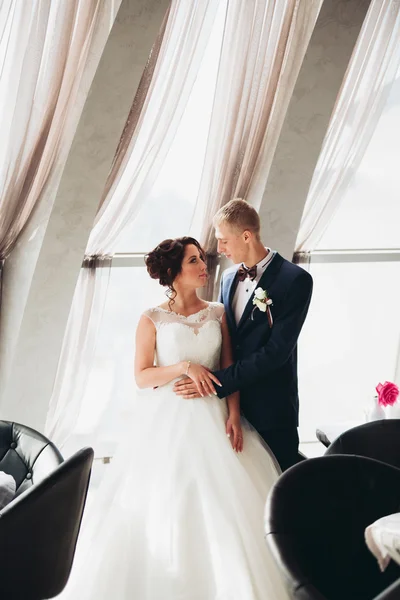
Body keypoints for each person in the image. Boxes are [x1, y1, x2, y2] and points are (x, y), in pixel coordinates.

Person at [58, 236, 289, 600]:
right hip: (167, 422)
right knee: (171, 501)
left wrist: (232, 413)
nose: (204, 267)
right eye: (194, 261)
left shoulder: (217, 312)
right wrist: (184, 367)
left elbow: (229, 366)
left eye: (202, 259)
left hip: (215, 416)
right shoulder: (152, 319)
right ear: (174, 273)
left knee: (227, 506)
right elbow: (142, 376)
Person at [174, 200, 313, 471]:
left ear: (246, 236)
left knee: (279, 493)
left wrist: (215, 382)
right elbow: (224, 341)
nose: (219, 249)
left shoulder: (295, 280)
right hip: (227, 411)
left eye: (223, 240)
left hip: (271, 411)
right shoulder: (227, 278)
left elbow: (276, 353)